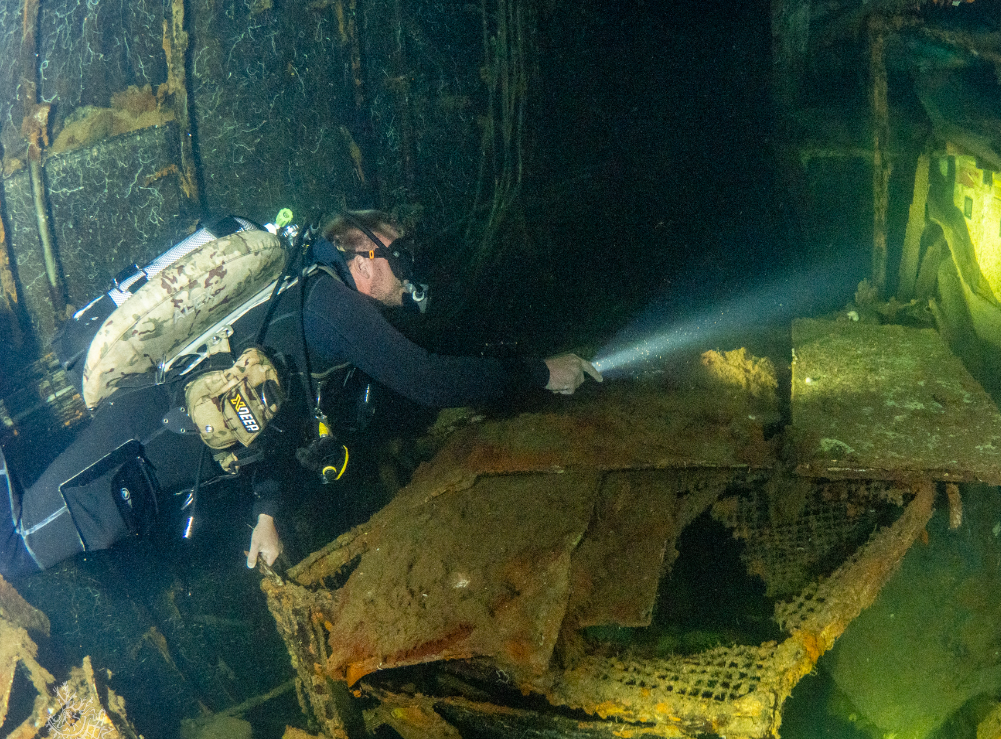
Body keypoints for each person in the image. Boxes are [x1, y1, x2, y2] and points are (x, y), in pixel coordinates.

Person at [0, 210, 601, 580]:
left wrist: (266, 514)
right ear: (358, 254)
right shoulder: (331, 304)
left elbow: (279, 424)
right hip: (148, 436)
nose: (409, 273)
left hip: (166, 450)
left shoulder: (315, 315)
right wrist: (540, 373)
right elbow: (432, 380)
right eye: (400, 256)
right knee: (19, 545)